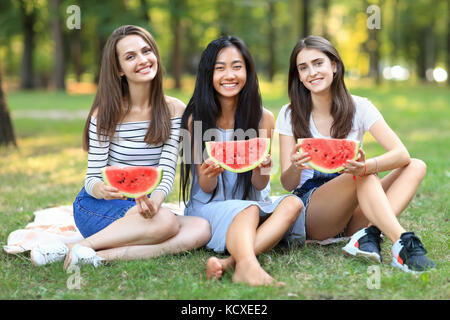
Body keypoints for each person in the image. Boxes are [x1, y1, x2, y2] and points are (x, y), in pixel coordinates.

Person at [30, 25, 211, 268]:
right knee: (167, 223)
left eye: (146, 51)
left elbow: (167, 171)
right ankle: (83, 246)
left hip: (143, 204)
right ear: (118, 70)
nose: (143, 60)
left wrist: (155, 202)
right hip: (96, 206)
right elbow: (92, 177)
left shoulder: (174, 110)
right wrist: (102, 190)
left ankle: (92, 255)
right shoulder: (105, 113)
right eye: (130, 56)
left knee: (201, 228)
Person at [275, 35, 436, 273]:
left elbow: (402, 154)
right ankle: (401, 242)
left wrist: (368, 165)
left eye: (318, 63)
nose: (312, 72)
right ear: (298, 75)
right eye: (303, 67)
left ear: (334, 66)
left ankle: (367, 234)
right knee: (361, 173)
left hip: (355, 210)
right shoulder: (289, 113)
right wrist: (296, 166)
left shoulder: (360, 106)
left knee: (416, 165)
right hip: (316, 212)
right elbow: (287, 185)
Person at [180, 36, 303, 286]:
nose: (229, 75)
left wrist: (261, 167)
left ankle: (230, 263)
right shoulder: (194, 120)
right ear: (208, 74)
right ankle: (248, 267)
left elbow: (260, 185)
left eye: (237, 66)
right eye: (220, 67)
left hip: (253, 202)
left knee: (293, 204)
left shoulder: (264, 119)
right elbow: (204, 188)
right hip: (210, 208)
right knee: (247, 209)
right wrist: (208, 173)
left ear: (247, 70)